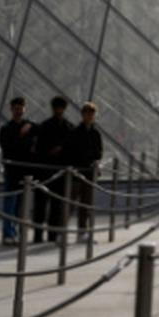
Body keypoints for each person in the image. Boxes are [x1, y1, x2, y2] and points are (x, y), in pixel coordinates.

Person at [34, 96, 75, 241]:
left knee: (55, 205)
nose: (58, 110)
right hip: (49, 171)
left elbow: (71, 150)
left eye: (60, 108)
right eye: (56, 107)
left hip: (55, 171)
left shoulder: (65, 127)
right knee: (42, 204)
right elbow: (38, 148)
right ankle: (39, 235)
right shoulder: (66, 127)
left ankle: (51, 234)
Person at [0, 97, 35, 245]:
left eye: (21, 108)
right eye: (16, 108)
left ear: (24, 109)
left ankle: (17, 232)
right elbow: (9, 149)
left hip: (24, 172)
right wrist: (22, 137)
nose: (19, 111)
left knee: (21, 205)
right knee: (10, 204)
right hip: (13, 171)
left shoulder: (29, 126)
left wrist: (29, 127)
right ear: (11, 109)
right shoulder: (5, 129)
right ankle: (8, 233)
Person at [70, 101, 103, 242]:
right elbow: (72, 151)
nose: (89, 116)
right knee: (70, 202)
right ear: (83, 114)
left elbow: (99, 152)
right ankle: (61, 230)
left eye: (92, 113)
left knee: (86, 204)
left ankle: (82, 231)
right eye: (87, 113)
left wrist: (93, 158)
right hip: (78, 172)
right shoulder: (76, 132)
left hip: (89, 172)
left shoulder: (96, 133)